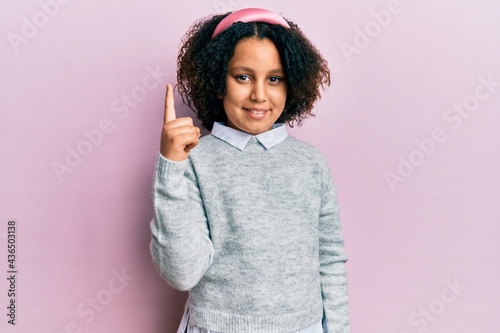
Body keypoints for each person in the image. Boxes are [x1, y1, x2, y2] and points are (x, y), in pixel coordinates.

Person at [150, 8, 350, 333]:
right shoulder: (194, 161)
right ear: (217, 80)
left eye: (274, 79)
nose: (258, 94)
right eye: (243, 77)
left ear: (292, 84)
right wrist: (171, 166)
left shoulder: (312, 164)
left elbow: (329, 259)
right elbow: (181, 272)